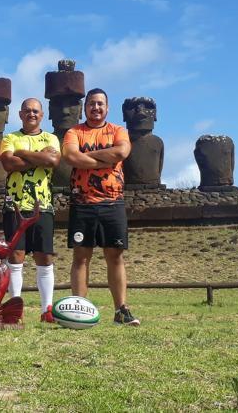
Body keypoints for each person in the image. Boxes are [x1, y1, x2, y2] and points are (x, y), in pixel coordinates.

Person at [61, 88, 140, 326]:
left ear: (107, 108)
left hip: (112, 201)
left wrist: (90, 158)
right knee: (81, 256)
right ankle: (79, 309)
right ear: (85, 108)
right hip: (82, 202)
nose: (96, 108)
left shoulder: (118, 130)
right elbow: (72, 157)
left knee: (114, 255)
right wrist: (106, 158)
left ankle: (121, 310)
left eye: (100, 104)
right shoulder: (74, 131)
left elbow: (122, 151)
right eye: (91, 104)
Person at [0, 98, 61, 322]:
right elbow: (8, 164)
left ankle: (47, 310)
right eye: (27, 111)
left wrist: (22, 153)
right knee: (15, 257)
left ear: (42, 115)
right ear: (20, 114)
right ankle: (15, 311)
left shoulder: (51, 138)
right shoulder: (10, 138)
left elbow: (53, 160)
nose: (31, 114)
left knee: (44, 257)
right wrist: (38, 156)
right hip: (14, 205)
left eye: (35, 111)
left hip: (42, 205)